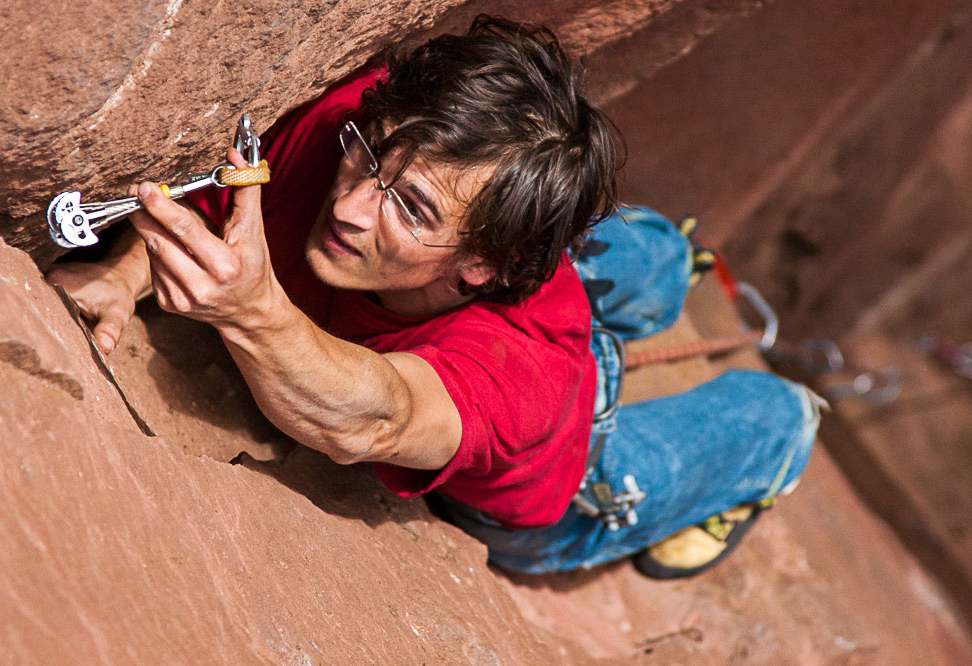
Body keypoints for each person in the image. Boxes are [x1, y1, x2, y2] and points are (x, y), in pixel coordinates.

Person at [45, 17, 823, 578]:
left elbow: (379, 414)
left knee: (759, 413)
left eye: (409, 208)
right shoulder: (358, 136)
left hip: (566, 454)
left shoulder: (521, 371)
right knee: (620, 252)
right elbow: (217, 212)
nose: (348, 206)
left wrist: (255, 312)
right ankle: (663, 260)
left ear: (485, 266)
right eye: (369, 159)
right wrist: (121, 274)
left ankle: (781, 431)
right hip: (503, 270)